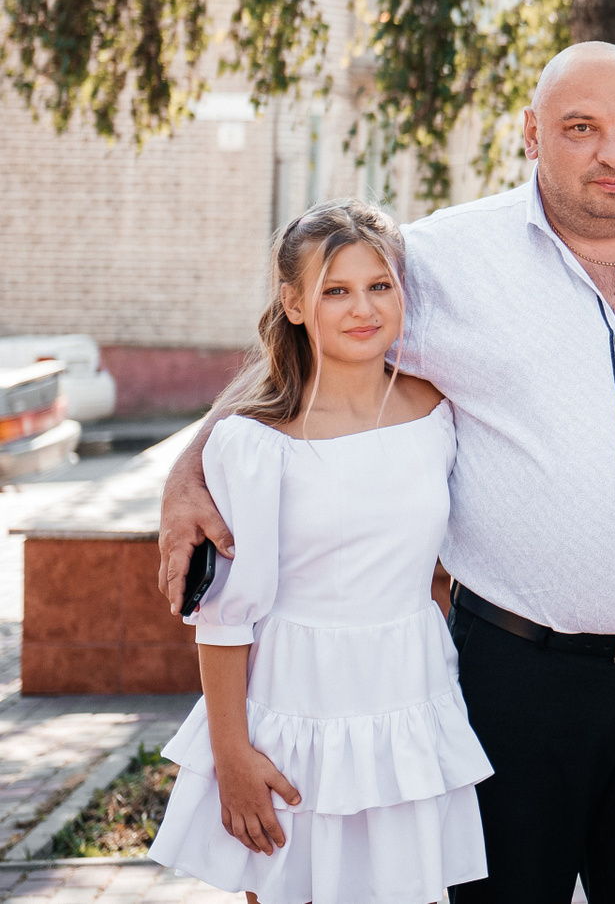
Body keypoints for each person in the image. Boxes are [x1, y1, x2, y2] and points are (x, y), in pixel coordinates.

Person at [158, 44, 615, 903]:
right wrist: (190, 467)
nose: (613, 154)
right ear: (531, 134)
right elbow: (311, 345)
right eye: (580, 129)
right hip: (511, 680)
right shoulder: (442, 259)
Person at [149, 200, 493, 904]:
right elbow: (225, 617)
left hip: (408, 698)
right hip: (293, 708)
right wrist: (231, 754)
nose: (363, 308)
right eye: (336, 290)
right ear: (294, 304)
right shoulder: (255, 441)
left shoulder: (438, 411)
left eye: (379, 285)